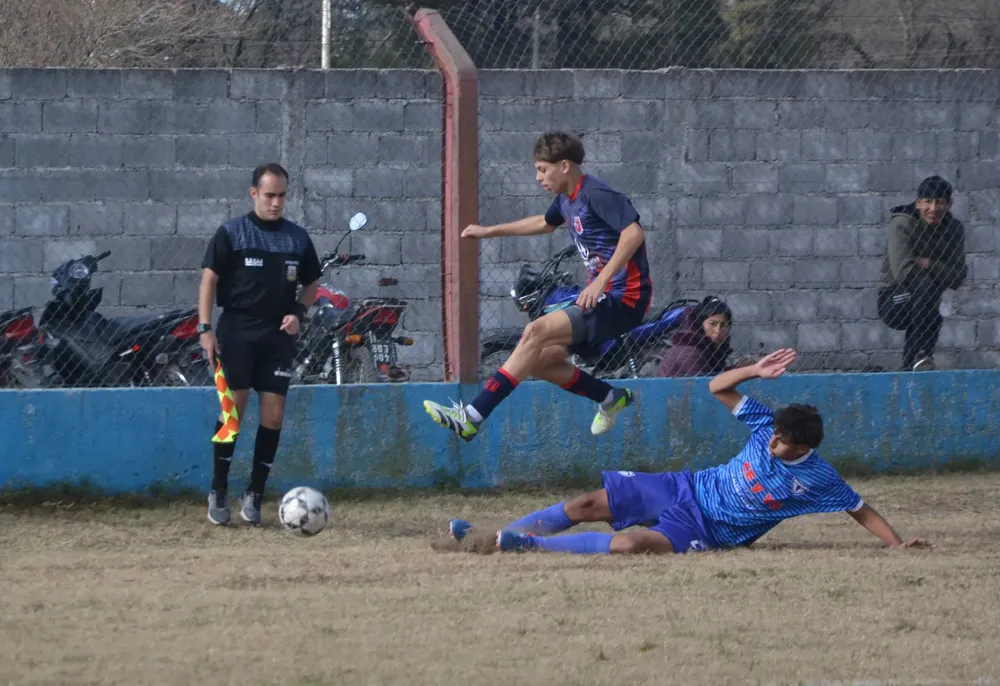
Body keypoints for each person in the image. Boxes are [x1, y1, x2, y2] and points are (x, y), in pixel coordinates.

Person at [445, 349, 928, 555]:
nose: (773, 441)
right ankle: (493, 536)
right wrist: (753, 371)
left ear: (802, 447)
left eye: (782, 441)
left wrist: (897, 544)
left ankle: (528, 547)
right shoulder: (765, 425)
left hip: (708, 529)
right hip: (687, 486)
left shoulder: (818, 478)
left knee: (632, 547)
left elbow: (860, 510)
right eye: (773, 434)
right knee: (586, 504)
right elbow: (717, 387)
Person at [422, 131, 653, 441]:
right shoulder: (566, 200)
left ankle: (472, 417)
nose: (538, 177)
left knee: (535, 332)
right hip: (607, 297)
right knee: (539, 361)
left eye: (543, 169)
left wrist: (600, 281)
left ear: (565, 166)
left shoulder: (596, 194)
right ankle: (610, 398)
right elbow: (544, 224)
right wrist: (489, 231)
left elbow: (633, 234)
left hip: (624, 297)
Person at [198, 162, 322, 526]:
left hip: (277, 336)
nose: (276, 202)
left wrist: (298, 311)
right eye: (269, 195)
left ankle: (254, 494)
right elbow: (208, 281)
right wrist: (206, 329)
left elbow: (312, 283)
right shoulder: (231, 233)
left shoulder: (297, 238)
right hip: (236, 330)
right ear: (254, 193)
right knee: (232, 414)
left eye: (282, 196)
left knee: (273, 415)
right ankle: (218, 490)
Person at [878, 175, 967, 372]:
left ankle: (913, 366)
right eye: (927, 202)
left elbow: (958, 275)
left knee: (931, 304)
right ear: (918, 203)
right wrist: (940, 272)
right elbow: (904, 272)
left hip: (927, 303)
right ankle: (920, 355)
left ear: (949, 204)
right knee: (927, 287)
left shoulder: (954, 229)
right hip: (893, 300)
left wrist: (928, 263)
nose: (933, 209)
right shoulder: (902, 224)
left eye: (940, 203)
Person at [656, 296, 733, 377]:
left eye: (723, 325)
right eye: (712, 324)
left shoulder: (709, 349)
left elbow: (713, 376)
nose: (717, 331)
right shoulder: (690, 352)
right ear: (700, 324)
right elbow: (707, 384)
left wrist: (737, 369)